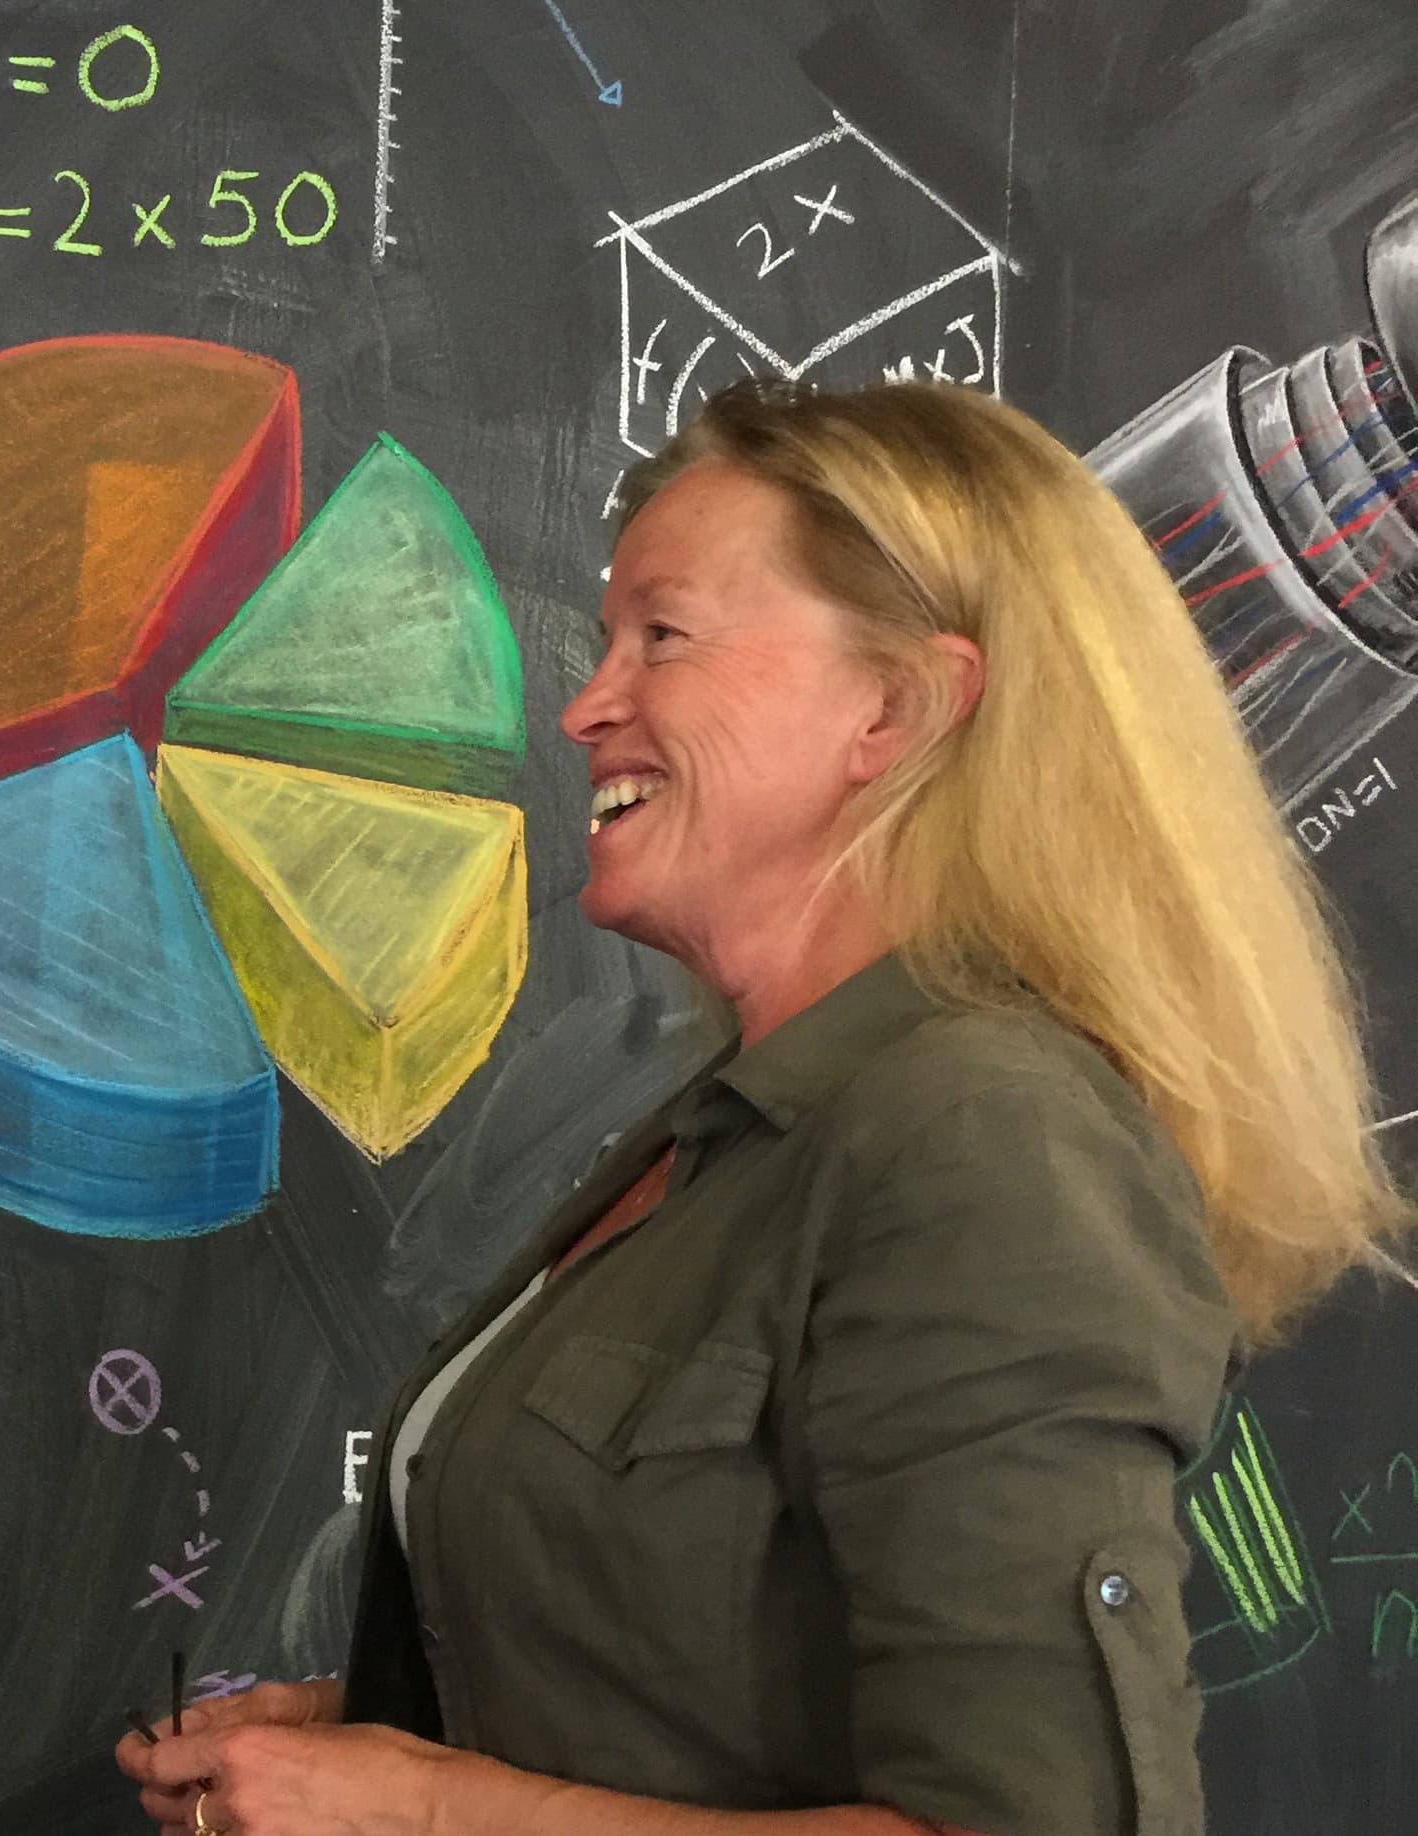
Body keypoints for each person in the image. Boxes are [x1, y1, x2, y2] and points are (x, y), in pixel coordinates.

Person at [118, 378, 1406, 1836]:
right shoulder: (737, 1134)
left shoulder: (984, 1139)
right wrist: (386, 1733)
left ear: (896, 707)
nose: (587, 704)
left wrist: (417, 1809)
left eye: (662, 637)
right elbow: (699, 1684)